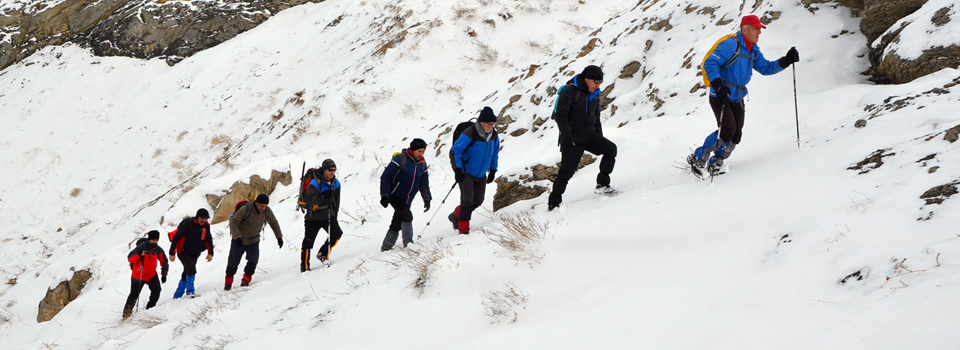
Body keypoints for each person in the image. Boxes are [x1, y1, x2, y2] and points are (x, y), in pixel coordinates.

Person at [687, 14, 800, 175]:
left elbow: (766, 68)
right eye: (756, 29)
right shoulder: (730, 44)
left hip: (737, 96)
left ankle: (717, 162)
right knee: (727, 129)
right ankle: (699, 158)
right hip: (721, 94)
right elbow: (710, 62)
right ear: (745, 30)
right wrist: (718, 85)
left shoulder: (753, 50)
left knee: (736, 134)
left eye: (760, 29)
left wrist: (786, 60)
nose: (759, 32)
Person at [548, 65, 618, 211]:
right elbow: (560, 116)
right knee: (566, 172)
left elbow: (596, 117)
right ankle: (553, 203)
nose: (598, 85)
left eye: (600, 82)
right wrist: (566, 137)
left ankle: (602, 184)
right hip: (572, 138)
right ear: (587, 79)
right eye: (596, 82)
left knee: (611, 149)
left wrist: (599, 137)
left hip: (590, 135)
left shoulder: (594, 94)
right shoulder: (570, 92)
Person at [447, 107, 500, 234]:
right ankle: (463, 231)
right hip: (466, 173)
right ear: (482, 122)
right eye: (489, 124)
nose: (491, 126)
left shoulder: (494, 136)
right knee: (467, 201)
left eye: (493, 124)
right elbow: (455, 151)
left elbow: (494, 153)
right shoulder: (469, 133)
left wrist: (493, 170)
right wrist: (457, 170)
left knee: (478, 201)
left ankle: (456, 215)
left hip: (481, 174)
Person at [379, 138, 432, 251]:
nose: (421, 154)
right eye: (419, 151)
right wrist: (384, 195)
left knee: (397, 222)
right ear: (413, 150)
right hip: (395, 196)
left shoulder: (422, 164)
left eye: (423, 151)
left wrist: (427, 198)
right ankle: (409, 245)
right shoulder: (401, 159)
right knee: (407, 216)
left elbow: (424, 184)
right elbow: (386, 176)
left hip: (408, 199)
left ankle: (386, 247)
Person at [225, 194, 283, 290]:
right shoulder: (245, 209)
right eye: (261, 206)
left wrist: (279, 237)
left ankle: (245, 282)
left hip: (254, 240)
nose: (263, 208)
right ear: (256, 203)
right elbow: (234, 222)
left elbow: (274, 223)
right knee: (233, 263)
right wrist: (237, 236)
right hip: (239, 240)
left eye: (265, 206)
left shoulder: (267, 211)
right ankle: (228, 284)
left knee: (253, 261)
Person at [300, 159, 343, 271]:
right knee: (308, 242)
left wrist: (335, 215)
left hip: (328, 215)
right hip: (313, 217)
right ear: (324, 169)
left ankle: (323, 253)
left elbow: (336, 202)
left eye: (334, 170)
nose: (332, 172)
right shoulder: (314, 182)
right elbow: (311, 200)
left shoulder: (336, 183)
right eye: (330, 170)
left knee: (337, 233)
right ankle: (304, 266)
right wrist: (324, 197)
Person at [169, 208, 215, 299]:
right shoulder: (188, 224)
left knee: (187, 272)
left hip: (195, 253)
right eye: (202, 218)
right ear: (197, 217)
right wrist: (172, 253)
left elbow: (208, 239)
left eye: (206, 219)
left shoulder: (206, 226)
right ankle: (190, 292)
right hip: (183, 252)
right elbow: (176, 237)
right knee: (191, 269)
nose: (204, 220)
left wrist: (210, 253)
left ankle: (177, 295)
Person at [123, 230, 169, 320]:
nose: (155, 242)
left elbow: (164, 261)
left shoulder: (158, 250)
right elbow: (130, 258)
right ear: (149, 239)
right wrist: (140, 256)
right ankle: (126, 315)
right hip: (138, 275)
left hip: (151, 275)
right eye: (153, 240)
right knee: (133, 295)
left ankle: (150, 308)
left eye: (156, 240)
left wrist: (164, 274)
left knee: (157, 290)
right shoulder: (141, 247)